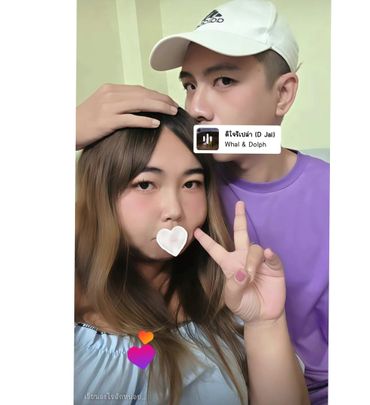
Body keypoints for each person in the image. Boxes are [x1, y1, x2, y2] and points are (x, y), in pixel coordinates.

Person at [76, 1, 329, 403]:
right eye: (190, 85)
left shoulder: (329, 191)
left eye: (224, 80)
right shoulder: (182, 160)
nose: (196, 109)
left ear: (283, 93)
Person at [75, 108, 309, 404]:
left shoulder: (229, 301)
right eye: (145, 184)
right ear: (100, 191)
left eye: (191, 184)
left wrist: (266, 323)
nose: (174, 209)